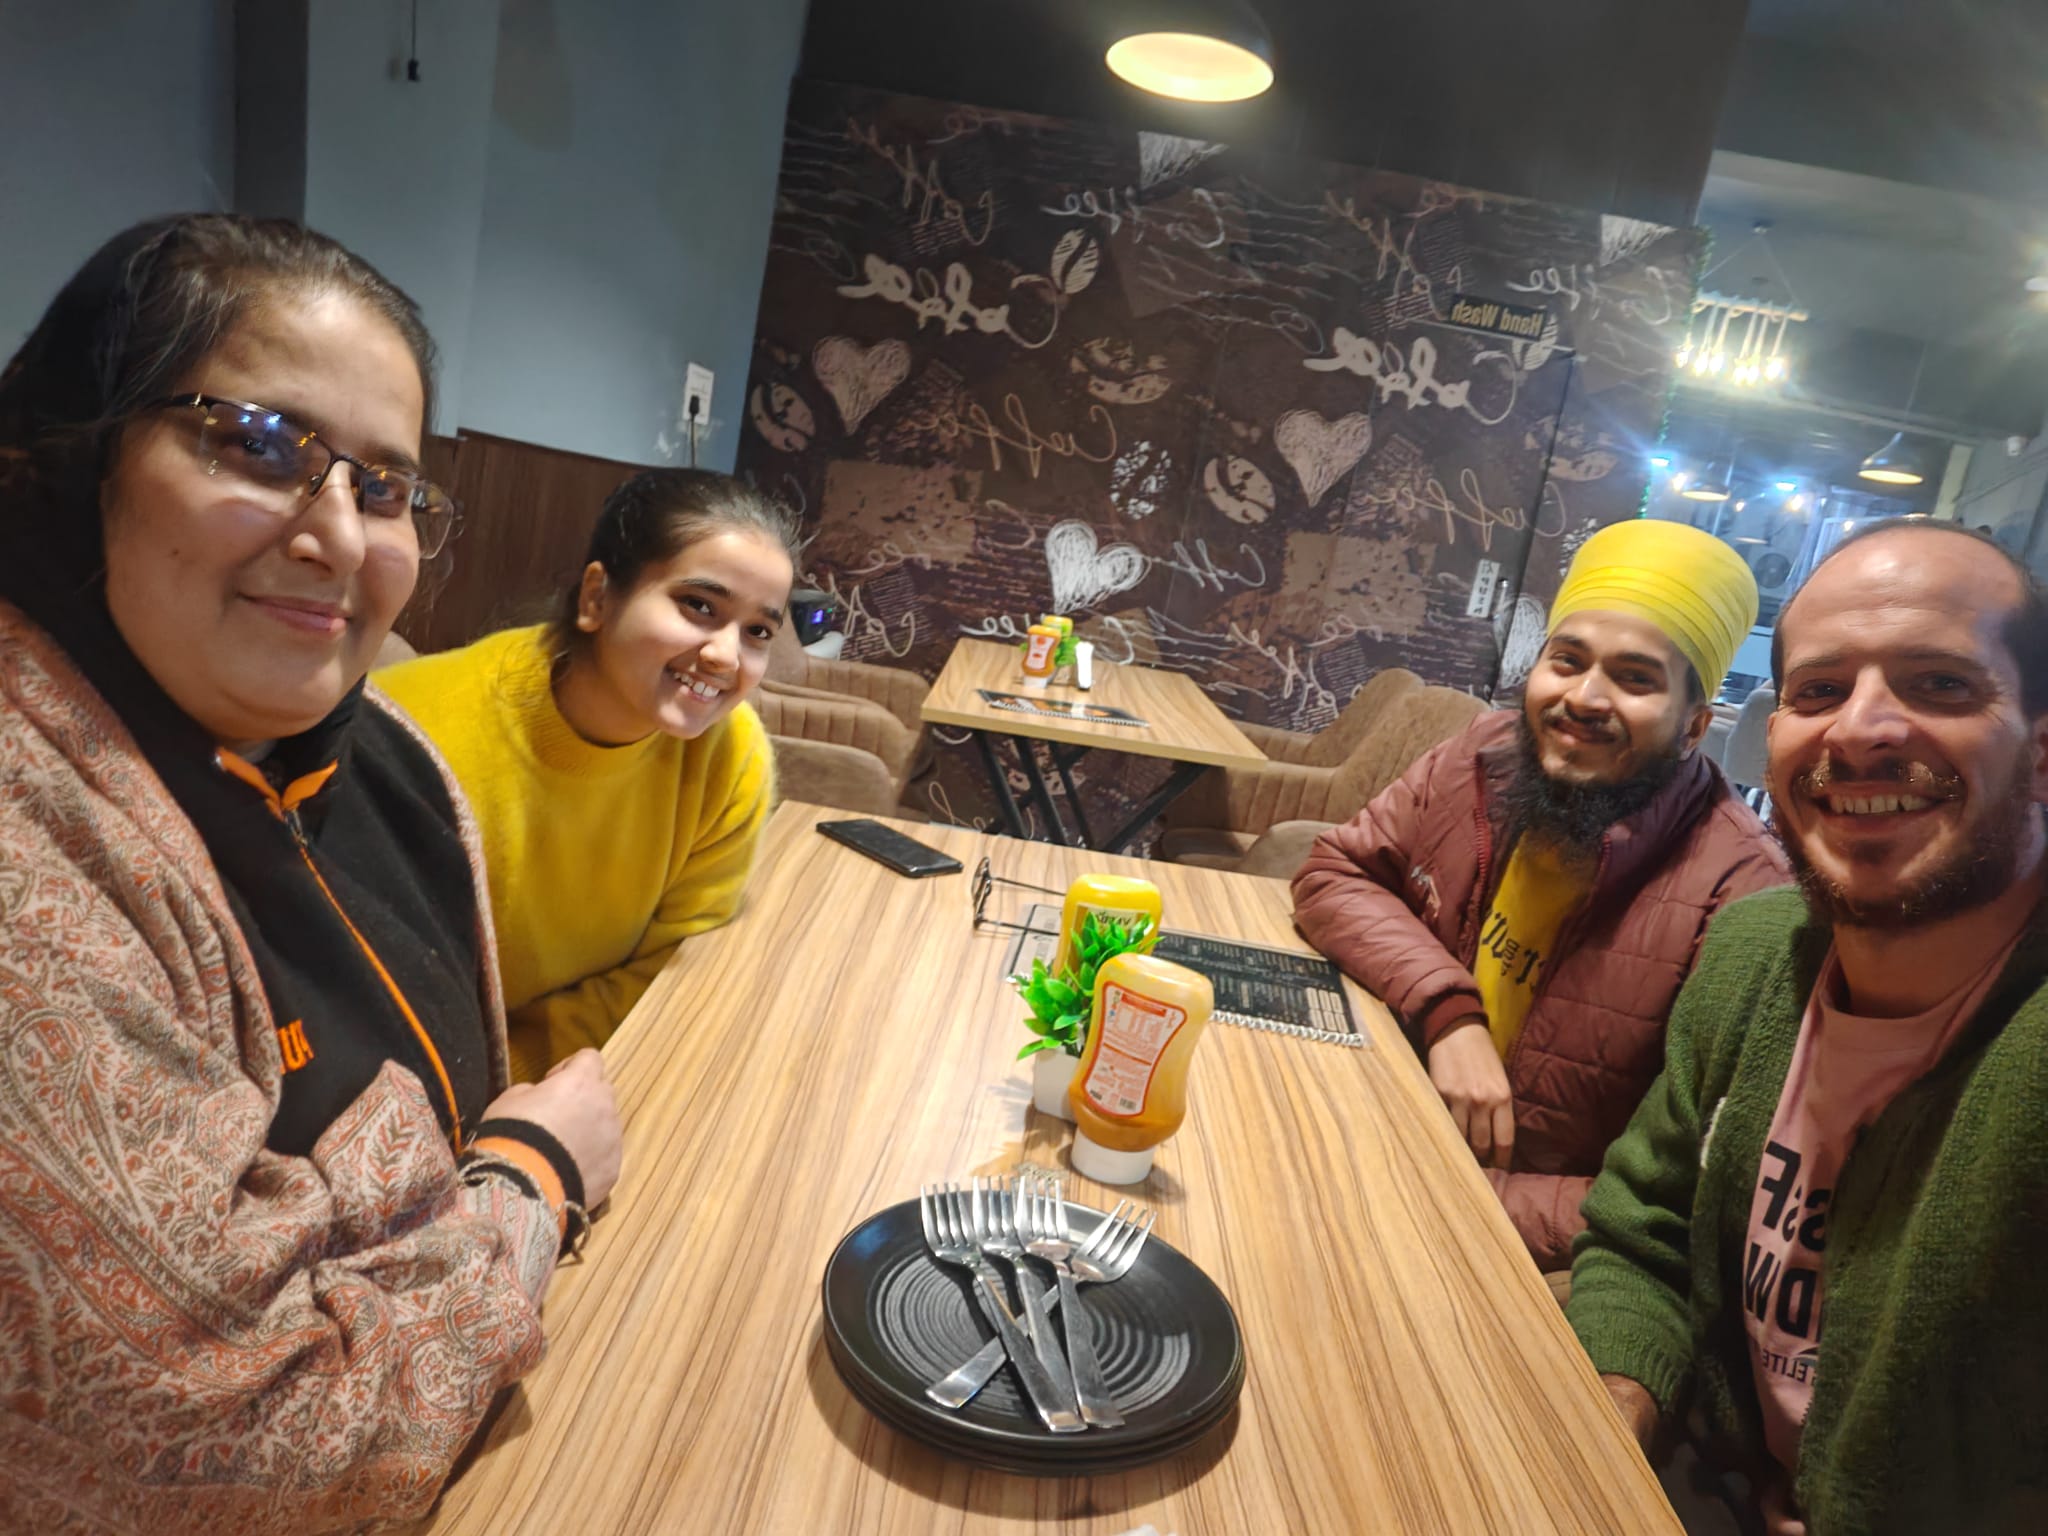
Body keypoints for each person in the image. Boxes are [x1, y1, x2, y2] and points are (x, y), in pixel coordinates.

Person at [0, 216, 624, 1534]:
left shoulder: (380, 754)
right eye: (259, 444)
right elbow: (237, 1431)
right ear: (76, 455)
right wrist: (527, 1180)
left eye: (385, 488)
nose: (337, 535)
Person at [1569, 521, 2048, 1536]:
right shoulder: (1755, 951)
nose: (1860, 731)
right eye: (1818, 690)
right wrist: (1615, 1413)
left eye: (1940, 685)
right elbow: (1641, 1233)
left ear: (2040, 749)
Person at [1292, 519, 1788, 1272]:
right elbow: (1335, 874)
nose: (1583, 698)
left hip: (1488, 1239)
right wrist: (1448, 1012)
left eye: (1635, 678)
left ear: (1693, 727)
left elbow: (1694, 1187)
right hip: (1361, 1114)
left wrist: (1446, 1194)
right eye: (1567, 661)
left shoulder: (1742, 894)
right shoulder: (1481, 756)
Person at [377, 469, 794, 1078]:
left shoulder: (732, 756)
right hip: (407, 1085)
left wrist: (526, 1075)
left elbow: (673, 966)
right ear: (597, 598)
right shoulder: (410, 733)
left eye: (757, 632)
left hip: (585, 1074)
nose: (726, 656)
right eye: (699, 606)